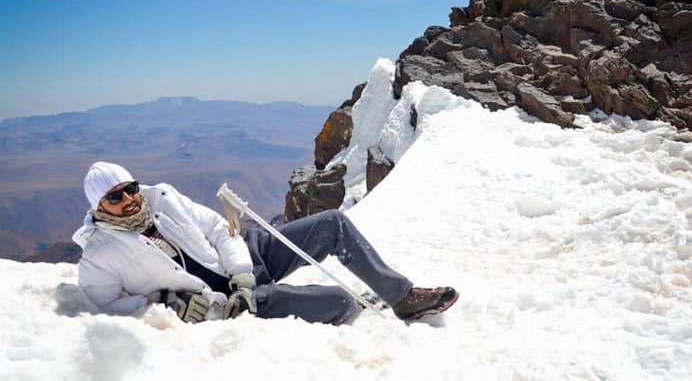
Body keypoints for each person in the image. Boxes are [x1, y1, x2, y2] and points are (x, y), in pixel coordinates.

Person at [72, 161, 459, 325]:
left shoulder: (163, 198)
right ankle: (352, 301)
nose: (129, 200)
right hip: (230, 304)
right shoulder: (99, 255)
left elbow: (220, 230)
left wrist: (242, 273)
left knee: (333, 224)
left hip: (248, 258)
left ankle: (402, 296)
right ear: (99, 206)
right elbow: (106, 305)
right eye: (115, 197)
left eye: (130, 188)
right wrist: (161, 302)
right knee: (340, 304)